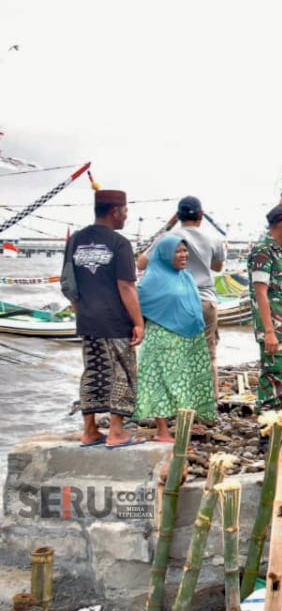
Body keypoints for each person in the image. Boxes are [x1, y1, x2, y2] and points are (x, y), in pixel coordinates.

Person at [60, 189, 145, 447]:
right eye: (125, 211)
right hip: (115, 320)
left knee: (94, 372)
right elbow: (126, 286)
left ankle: (90, 431)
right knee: (123, 374)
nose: (126, 216)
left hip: (87, 320)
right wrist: (139, 322)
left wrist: (80, 309)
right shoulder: (119, 243)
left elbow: (67, 281)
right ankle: (116, 433)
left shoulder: (75, 239)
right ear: (114, 211)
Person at [136, 195, 226, 400]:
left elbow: (141, 263)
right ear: (201, 216)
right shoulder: (213, 238)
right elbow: (218, 266)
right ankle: (208, 405)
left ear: (178, 216)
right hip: (204, 300)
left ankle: (177, 404)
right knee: (208, 355)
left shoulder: (167, 238)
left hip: (174, 304)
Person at [133, 236, 216, 441]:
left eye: (185, 251)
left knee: (186, 381)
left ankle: (185, 423)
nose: (184, 255)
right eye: (178, 251)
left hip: (188, 337)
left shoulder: (185, 276)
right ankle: (162, 430)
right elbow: (139, 304)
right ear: (164, 254)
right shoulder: (152, 280)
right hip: (162, 339)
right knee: (161, 383)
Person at [248, 205, 282, 446]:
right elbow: (260, 294)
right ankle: (267, 434)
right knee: (273, 380)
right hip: (276, 331)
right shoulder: (263, 251)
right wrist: (269, 332)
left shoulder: (279, 251)